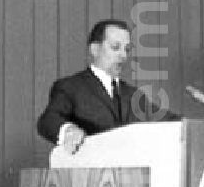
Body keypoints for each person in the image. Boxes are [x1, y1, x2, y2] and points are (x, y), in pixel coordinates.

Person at [37, 19, 175, 153]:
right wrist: (68, 131)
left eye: (127, 49)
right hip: (90, 173)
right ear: (95, 49)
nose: (123, 56)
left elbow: (168, 120)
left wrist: (194, 121)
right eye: (115, 47)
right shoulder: (71, 87)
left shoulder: (133, 95)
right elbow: (48, 120)